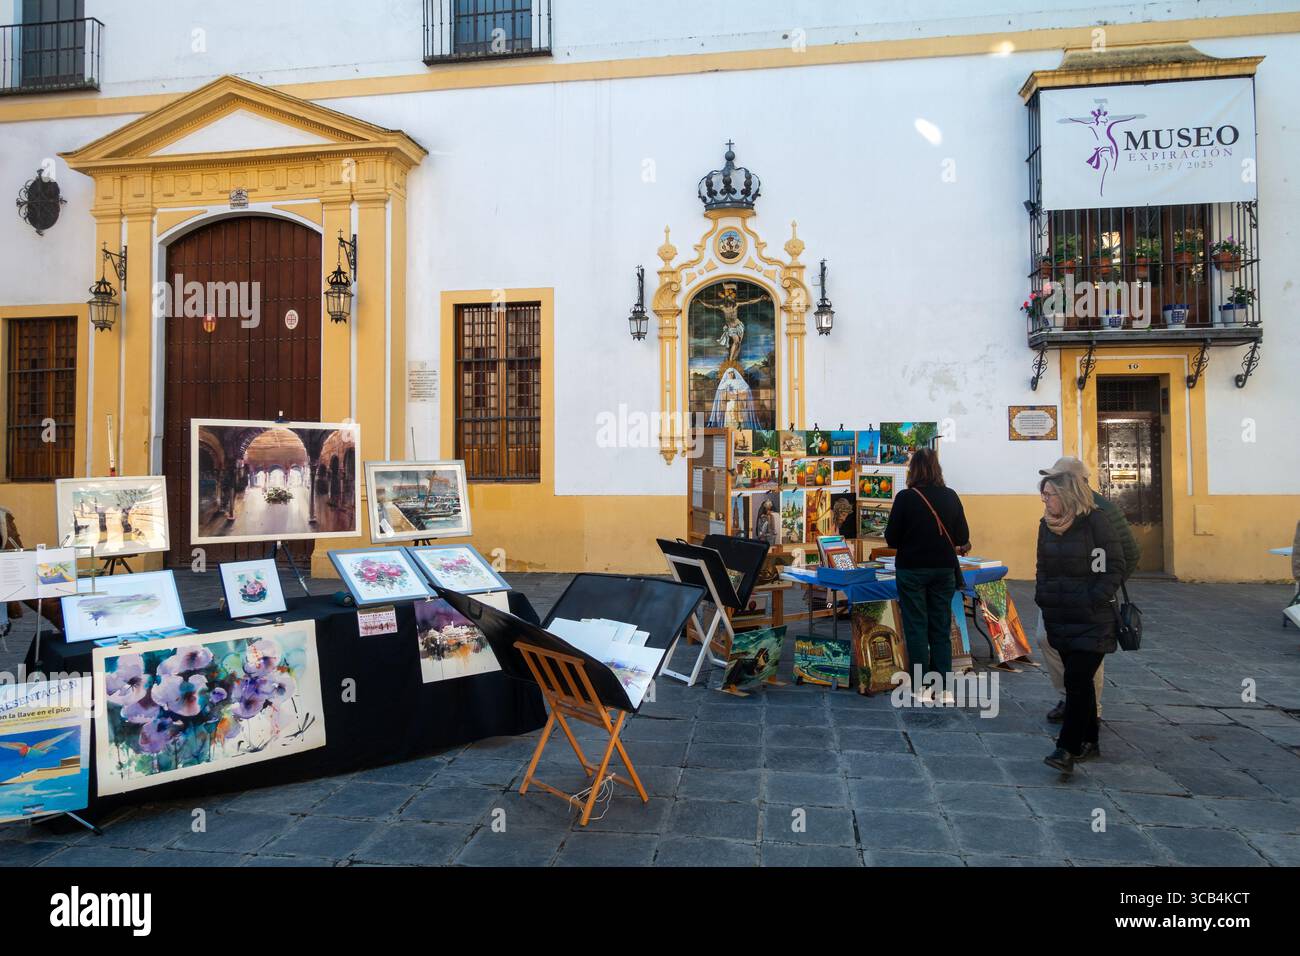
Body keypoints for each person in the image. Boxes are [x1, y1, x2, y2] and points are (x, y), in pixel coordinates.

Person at [1035, 469, 1126, 773]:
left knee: (1075, 679)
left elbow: (1114, 565)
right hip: (1059, 615)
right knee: (1080, 681)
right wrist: (1043, 595)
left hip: (1092, 619)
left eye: (1049, 494)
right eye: (1043, 494)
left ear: (1067, 494)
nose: (1045, 500)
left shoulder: (1095, 522)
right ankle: (1091, 740)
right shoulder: (1046, 526)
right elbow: (1042, 565)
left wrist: (1093, 598)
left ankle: (1067, 748)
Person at [884, 448, 970, 703]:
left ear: (913, 470)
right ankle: (943, 689)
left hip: (912, 569)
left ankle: (921, 686)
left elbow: (892, 539)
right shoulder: (951, 496)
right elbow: (962, 536)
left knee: (916, 626)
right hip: (943, 569)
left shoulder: (905, 498)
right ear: (937, 469)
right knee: (941, 627)